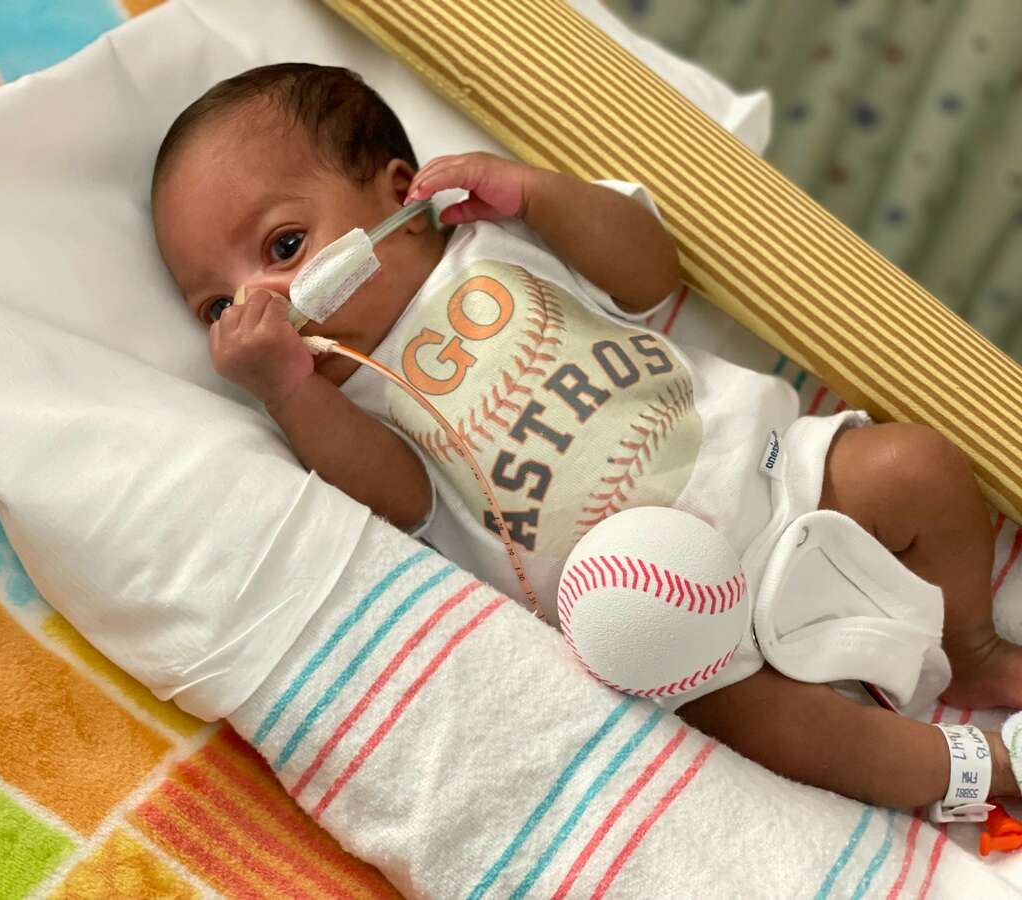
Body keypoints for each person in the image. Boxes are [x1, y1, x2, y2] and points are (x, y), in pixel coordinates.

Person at [150, 63, 1022, 814]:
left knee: (921, 467)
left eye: (286, 244)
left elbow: (649, 275)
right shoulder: (342, 398)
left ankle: (972, 647)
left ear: (396, 195)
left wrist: (536, 191)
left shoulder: (503, 243)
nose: (260, 303)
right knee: (776, 730)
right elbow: (399, 501)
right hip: (671, 624)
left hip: (774, 476)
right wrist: (288, 390)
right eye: (219, 307)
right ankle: (981, 769)